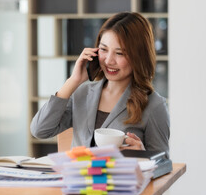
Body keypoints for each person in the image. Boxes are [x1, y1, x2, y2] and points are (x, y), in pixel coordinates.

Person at [30, 12, 169, 154]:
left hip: (118, 177)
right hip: (78, 176)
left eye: (119, 53)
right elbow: (40, 130)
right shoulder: (82, 93)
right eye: (103, 49)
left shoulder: (154, 105)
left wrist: (144, 155)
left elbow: (164, 164)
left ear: (139, 56)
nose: (109, 60)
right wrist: (73, 81)